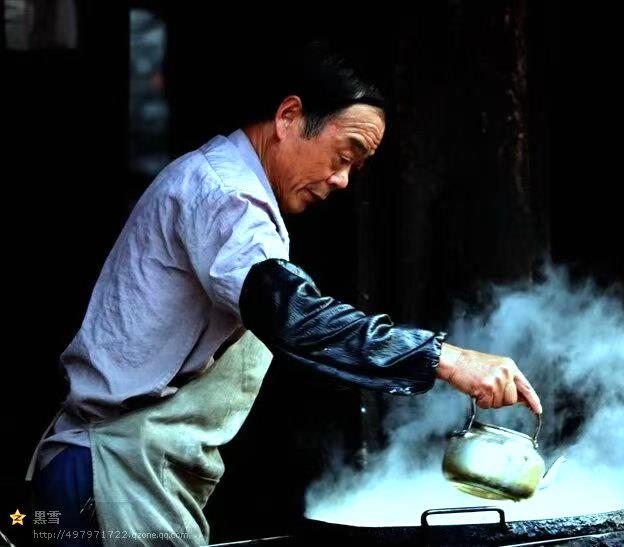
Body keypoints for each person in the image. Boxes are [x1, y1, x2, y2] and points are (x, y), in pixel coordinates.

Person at [25, 46, 542, 545]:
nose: (342, 180)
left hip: (121, 471)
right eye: (343, 156)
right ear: (289, 117)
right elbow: (292, 316)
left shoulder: (230, 190)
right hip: (106, 478)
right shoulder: (226, 196)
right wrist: (446, 359)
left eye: (355, 168)